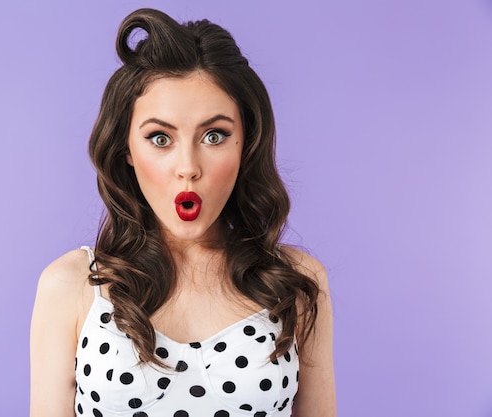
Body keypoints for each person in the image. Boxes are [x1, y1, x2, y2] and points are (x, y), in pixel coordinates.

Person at [30, 8, 335, 417]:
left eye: (214, 135)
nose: (188, 166)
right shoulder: (71, 286)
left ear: (246, 145)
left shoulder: (297, 284)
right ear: (127, 151)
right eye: (160, 138)